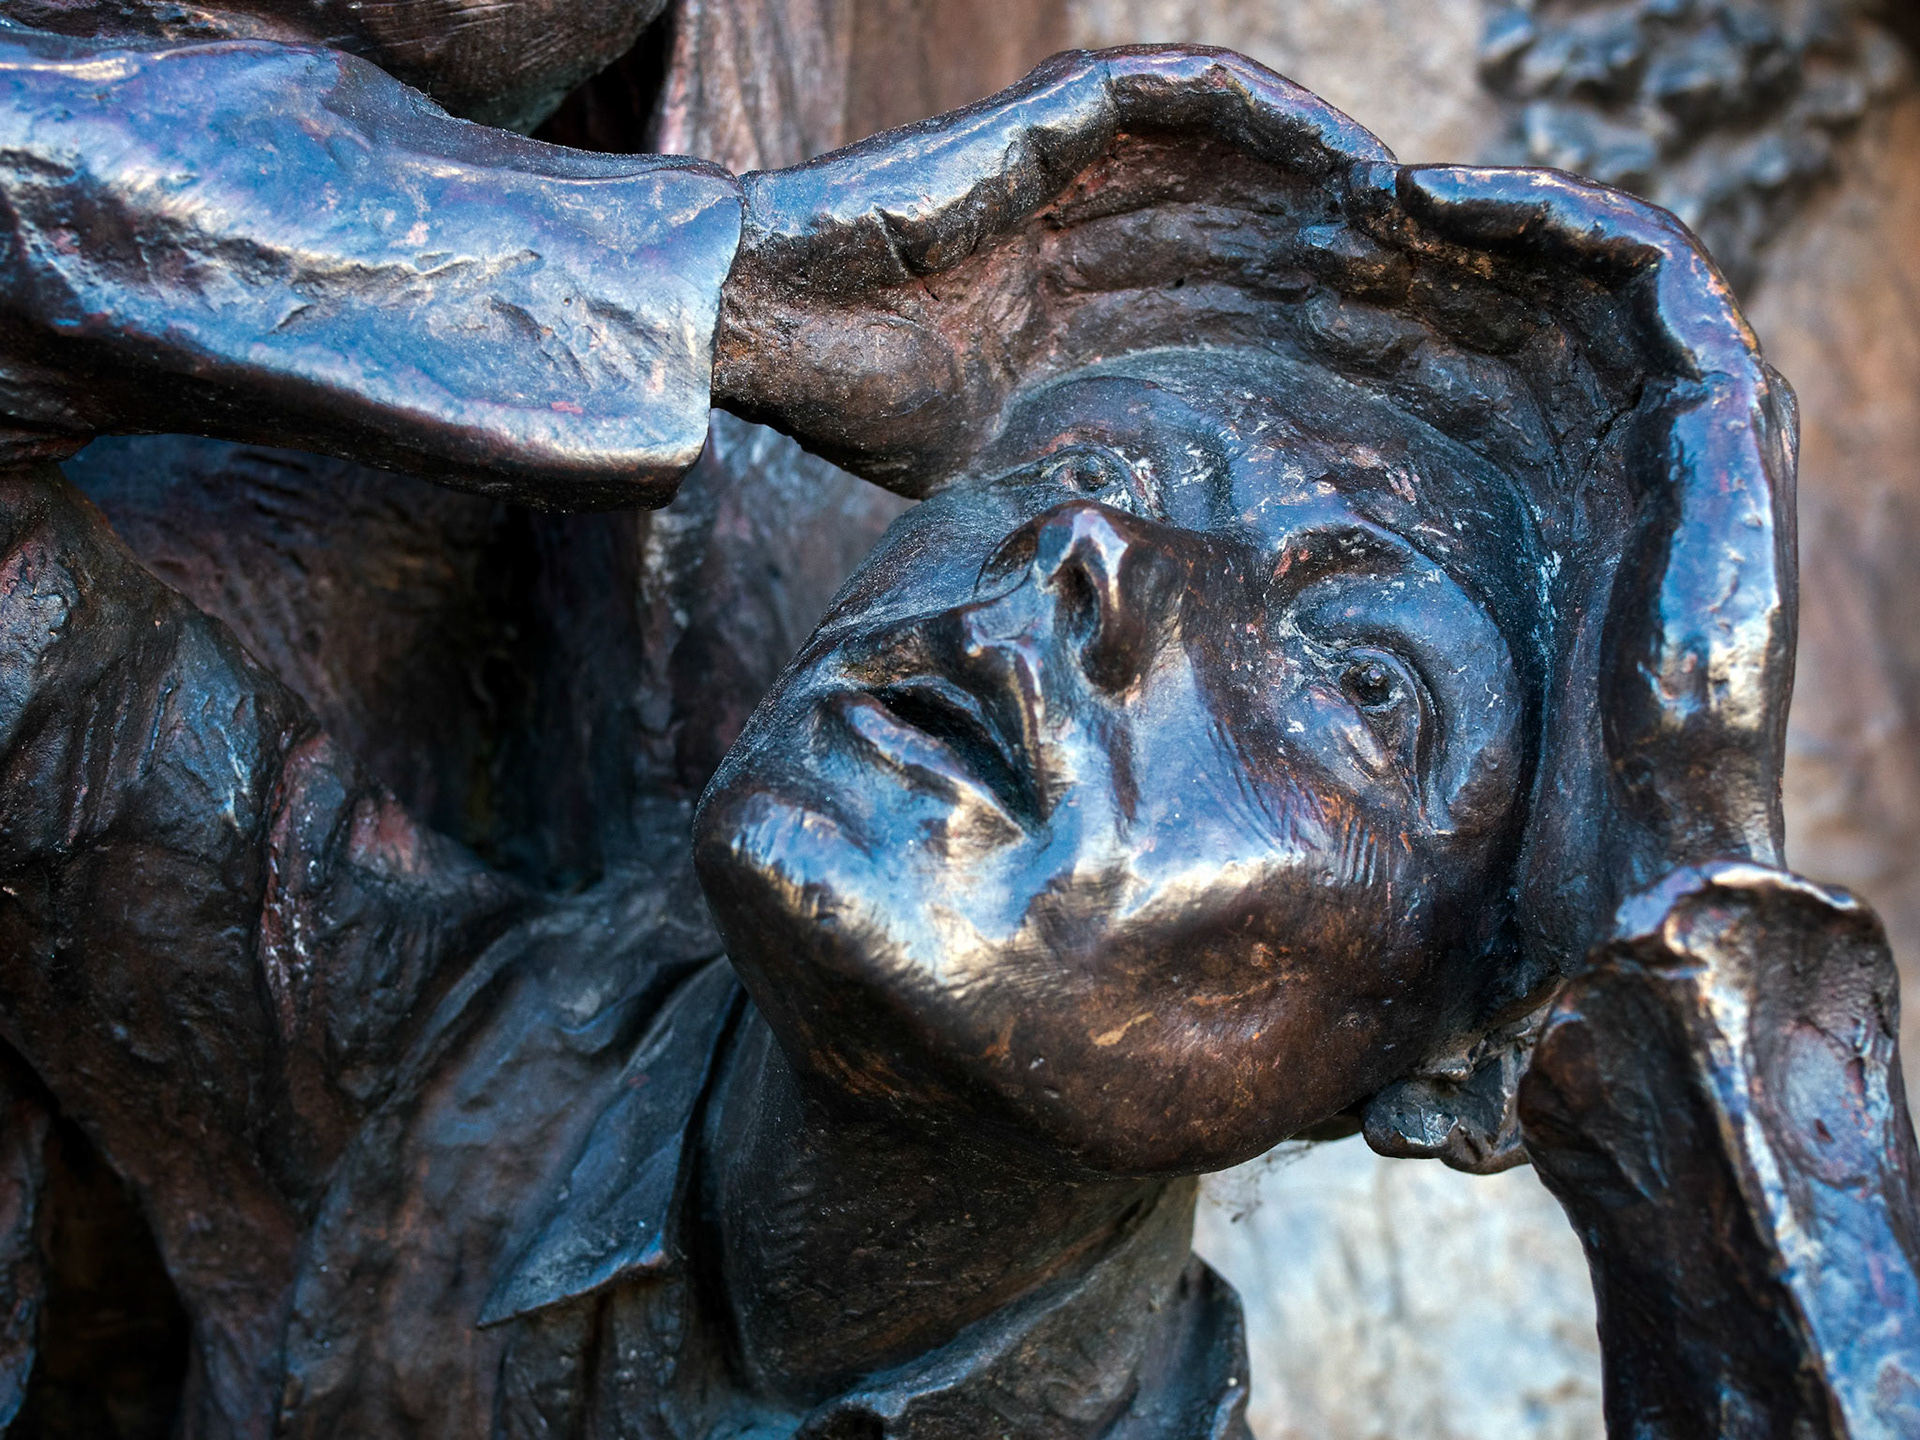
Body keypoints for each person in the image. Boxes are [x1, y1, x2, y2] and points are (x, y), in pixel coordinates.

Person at [0, 25, 1914, 1440]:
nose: (1089, 553)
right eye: (1080, 460)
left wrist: (1736, 1184)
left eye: (1356, 686)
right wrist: (673, 288)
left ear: (1458, 1045)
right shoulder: (468, 1079)